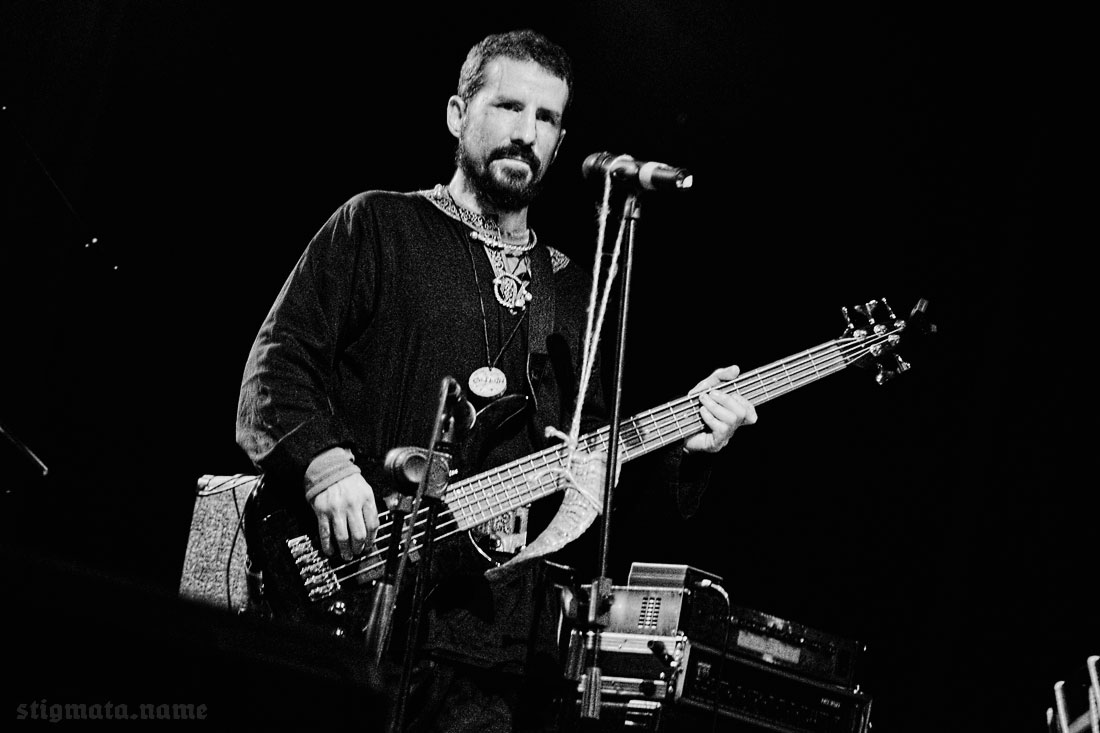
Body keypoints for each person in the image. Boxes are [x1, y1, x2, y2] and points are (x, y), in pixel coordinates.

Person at [235, 28, 756, 732]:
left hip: (492, 649)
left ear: (560, 142)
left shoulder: (575, 291)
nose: (526, 133)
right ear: (458, 114)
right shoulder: (379, 224)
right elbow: (277, 365)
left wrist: (688, 446)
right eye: (509, 107)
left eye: (546, 118)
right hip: (353, 596)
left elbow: (592, 470)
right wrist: (327, 469)